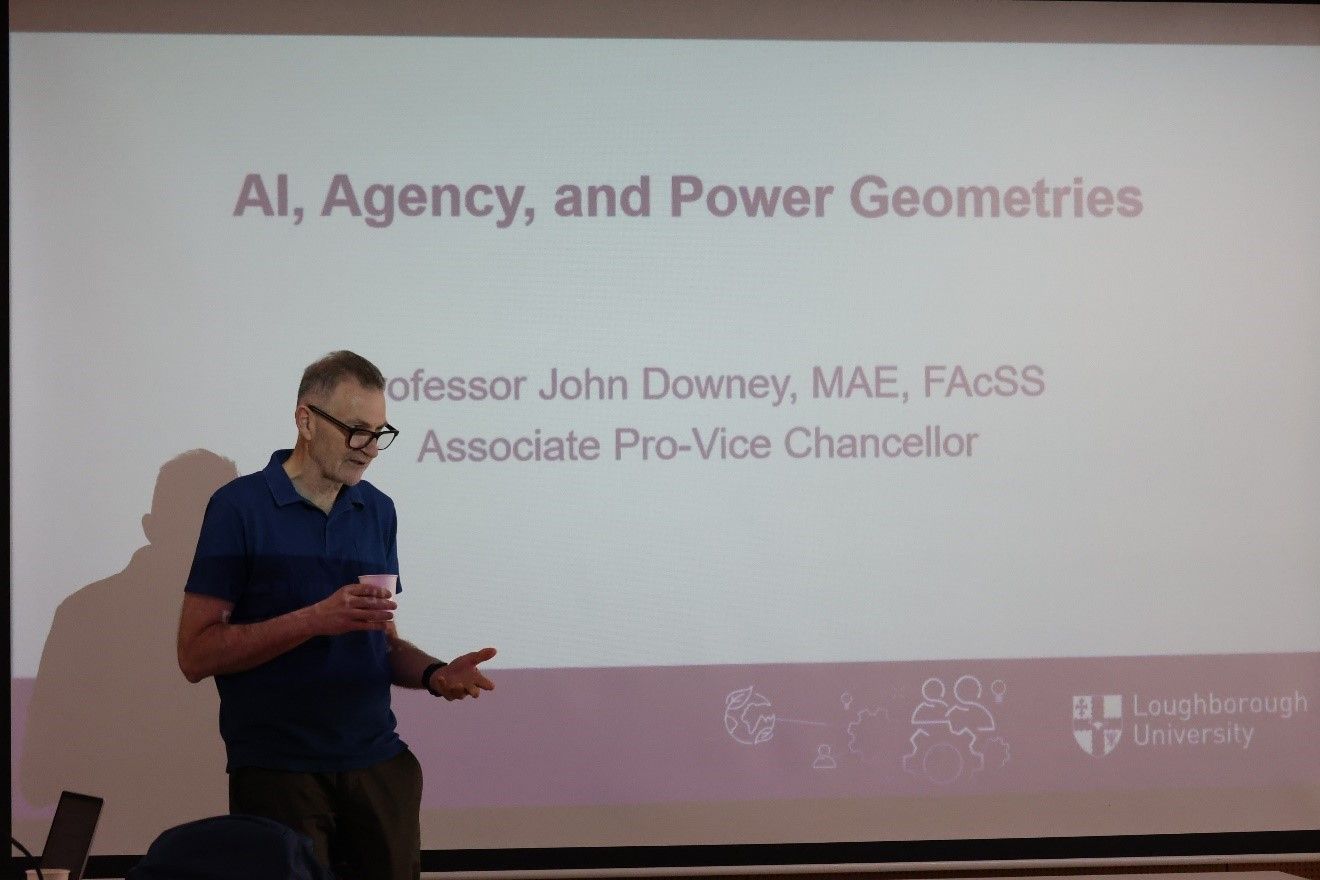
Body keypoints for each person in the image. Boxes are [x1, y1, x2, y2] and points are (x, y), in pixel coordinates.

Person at [177, 350, 495, 880]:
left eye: (379, 433)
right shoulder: (238, 508)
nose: (369, 448)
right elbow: (195, 653)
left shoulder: (378, 510)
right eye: (356, 431)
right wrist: (313, 619)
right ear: (305, 420)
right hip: (280, 774)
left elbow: (382, 641)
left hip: (379, 767)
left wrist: (436, 675)